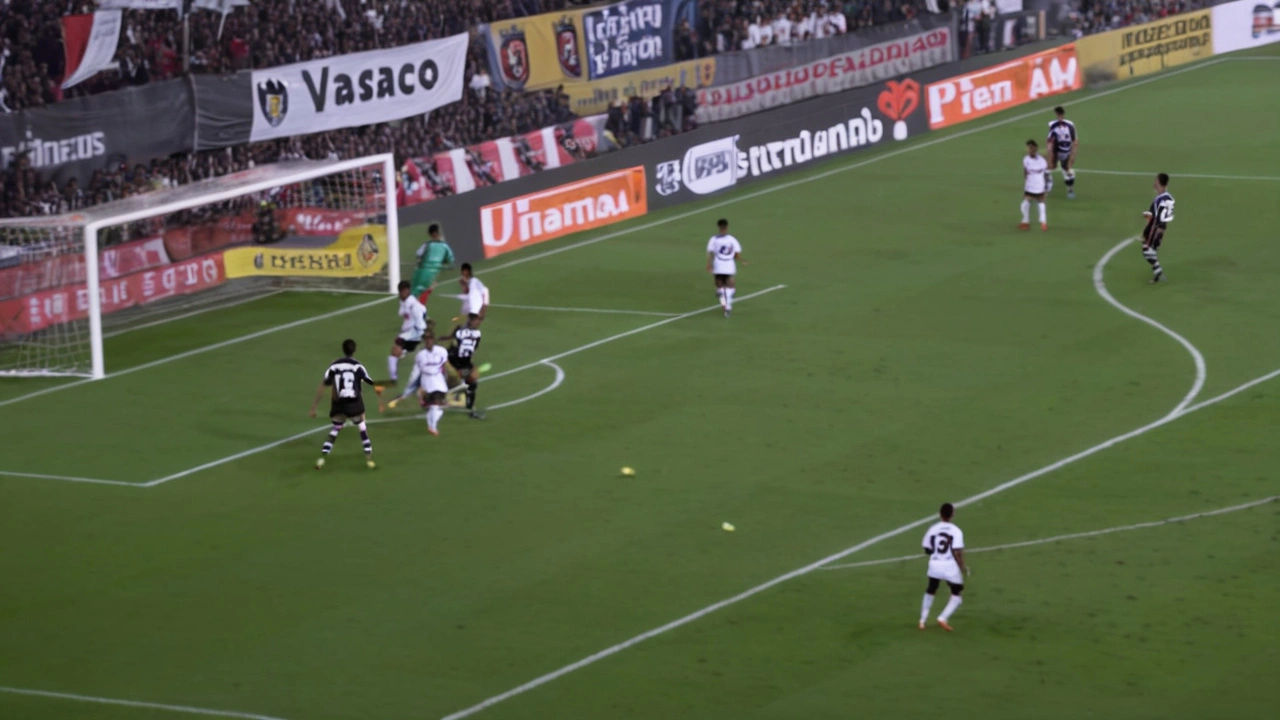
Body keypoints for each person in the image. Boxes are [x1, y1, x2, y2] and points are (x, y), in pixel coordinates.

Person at [309, 338, 377, 470]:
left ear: (343, 349)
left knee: (335, 429)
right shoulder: (358, 366)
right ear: (354, 350)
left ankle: (321, 459)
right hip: (354, 403)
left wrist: (314, 407)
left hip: (339, 404)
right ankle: (369, 458)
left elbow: (323, 386)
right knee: (362, 427)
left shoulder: (333, 366)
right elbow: (370, 382)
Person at [920, 502, 969, 631]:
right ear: (952, 514)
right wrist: (962, 567)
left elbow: (927, 548)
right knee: (957, 593)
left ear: (940, 514)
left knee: (931, 589)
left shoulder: (933, 529)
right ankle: (942, 618)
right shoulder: (956, 531)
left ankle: (922, 620)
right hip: (949, 566)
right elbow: (957, 552)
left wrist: (934, 554)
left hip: (934, 564)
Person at [388, 281, 429, 384]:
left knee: (396, 348)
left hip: (415, 333)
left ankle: (394, 377)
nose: (405, 292)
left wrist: (421, 334)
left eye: (406, 290)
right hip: (410, 333)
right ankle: (394, 377)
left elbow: (420, 320)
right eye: (402, 291)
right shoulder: (404, 301)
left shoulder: (413, 305)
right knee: (397, 350)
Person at [413, 331, 453, 437]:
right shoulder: (420, 355)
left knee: (435, 404)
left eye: (430, 338)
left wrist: (450, 379)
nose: (428, 340)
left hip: (438, 380)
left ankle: (432, 426)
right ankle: (432, 426)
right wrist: (415, 386)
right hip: (426, 381)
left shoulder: (442, 351)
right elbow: (417, 371)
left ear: (433, 339)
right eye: (426, 339)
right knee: (435, 405)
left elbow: (446, 366)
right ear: (424, 341)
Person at [447, 314, 485, 419]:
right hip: (455, 361)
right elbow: (453, 346)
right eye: (476, 320)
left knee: (472, 384)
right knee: (451, 384)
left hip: (466, 362)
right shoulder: (460, 332)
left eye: (479, 320)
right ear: (471, 320)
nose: (478, 322)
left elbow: (473, 348)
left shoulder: (478, 334)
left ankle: (470, 409)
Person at [705, 218, 744, 317]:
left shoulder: (713, 239)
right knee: (730, 286)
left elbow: (710, 252)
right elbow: (737, 253)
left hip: (718, 265)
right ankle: (728, 305)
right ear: (727, 227)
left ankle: (725, 306)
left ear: (719, 227)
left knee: (720, 288)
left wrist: (708, 264)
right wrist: (741, 260)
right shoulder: (732, 239)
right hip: (729, 265)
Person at [1141, 173, 1175, 284]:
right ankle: (1157, 273)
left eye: (1156, 180)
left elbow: (1161, 217)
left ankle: (1158, 272)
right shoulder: (1165, 197)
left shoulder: (1162, 199)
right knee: (1150, 252)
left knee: (1147, 252)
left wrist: (1159, 231)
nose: (1154, 182)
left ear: (1159, 182)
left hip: (1155, 229)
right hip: (1155, 228)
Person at [411, 223, 456, 304]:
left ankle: (416, 311)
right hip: (433, 272)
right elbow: (451, 261)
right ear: (436, 233)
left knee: (416, 291)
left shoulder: (427, 244)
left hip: (421, 271)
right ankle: (419, 311)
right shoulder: (445, 246)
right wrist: (442, 265)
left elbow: (418, 255)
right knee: (425, 291)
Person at [1047, 106, 1079, 199]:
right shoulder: (1055, 125)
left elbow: (1075, 142)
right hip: (1058, 151)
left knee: (1066, 170)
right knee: (1050, 168)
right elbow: (1050, 142)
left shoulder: (1067, 125)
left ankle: (1070, 189)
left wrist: (1072, 158)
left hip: (1064, 151)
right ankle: (1048, 187)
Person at [1020, 140, 1049, 231]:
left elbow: (1045, 173)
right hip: (1031, 183)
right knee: (1026, 203)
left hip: (1038, 182)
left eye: (1031, 148)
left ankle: (1043, 222)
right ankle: (1026, 222)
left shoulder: (1041, 160)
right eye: (1029, 148)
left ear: (1035, 148)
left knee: (1040, 202)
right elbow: (1025, 171)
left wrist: (1046, 187)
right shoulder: (1026, 159)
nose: (1030, 150)